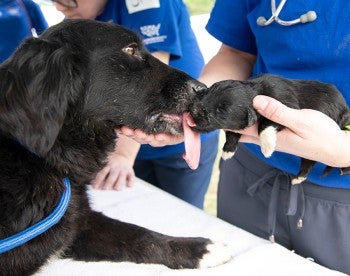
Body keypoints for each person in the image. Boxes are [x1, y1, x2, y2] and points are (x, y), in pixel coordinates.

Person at [120, 0, 350, 274]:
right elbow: (236, 53)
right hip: (249, 175)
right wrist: (193, 108)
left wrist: (343, 150)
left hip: (339, 195)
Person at [52, 0, 219, 209]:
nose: (60, 6)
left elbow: (148, 84)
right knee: (139, 208)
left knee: (181, 210)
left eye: (68, 0)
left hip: (178, 135)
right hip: (130, 135)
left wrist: (123, 154)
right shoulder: (83, 17)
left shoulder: (147, 4)